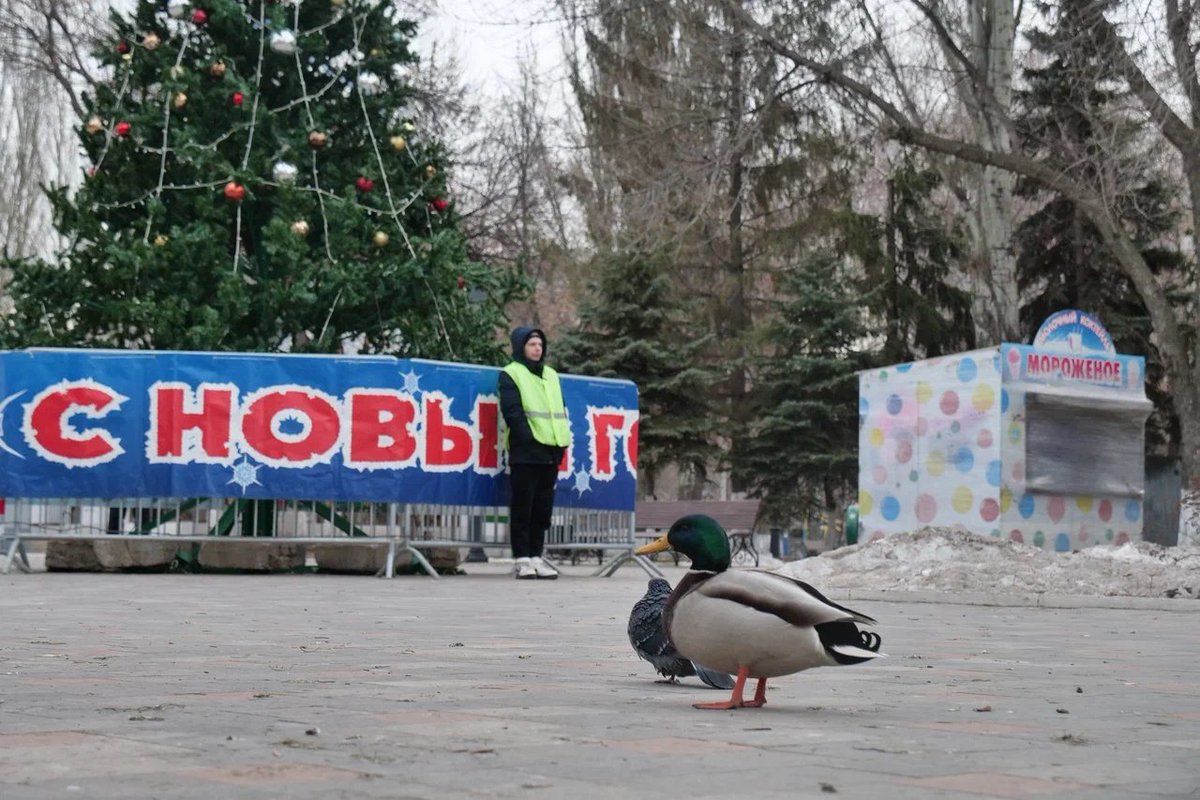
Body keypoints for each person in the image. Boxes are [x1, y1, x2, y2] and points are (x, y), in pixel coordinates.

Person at [499, 326, 571, 579]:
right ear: (520, 347)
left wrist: (561, 444)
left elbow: (560, 411)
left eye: (540, 344)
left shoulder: (551, 375)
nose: (537, 348)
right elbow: (513, 413)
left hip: (552, 450)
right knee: (523, 505)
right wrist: (529, 441)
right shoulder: (511, 373)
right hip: (525, 451)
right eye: (531, 344)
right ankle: (522, 558)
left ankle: (537, 556)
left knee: (542, 507)